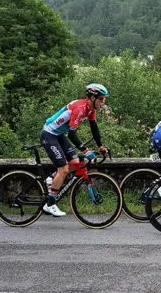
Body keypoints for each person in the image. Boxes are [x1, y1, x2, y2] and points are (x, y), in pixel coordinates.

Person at [40, 83, 110, 217]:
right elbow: (72, 134)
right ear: (92, 97)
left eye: (104, 100)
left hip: (58, 135)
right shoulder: (80, 109)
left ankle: (51, 178)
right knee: (64, 169)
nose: (103, 102)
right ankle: (49, 204)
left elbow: (94, 129)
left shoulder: (90, 110)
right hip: (49, 134)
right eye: (101, 99)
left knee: (75, 163)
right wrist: (85, 150)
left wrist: (100, 146)